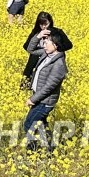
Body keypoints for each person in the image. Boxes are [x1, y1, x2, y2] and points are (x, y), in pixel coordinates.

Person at [23, 19, 71, 151]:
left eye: (47, 42)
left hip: (44, 101)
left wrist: (33, 99)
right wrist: (38, 36)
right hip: (39, 97)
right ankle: (50, 149)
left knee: (29, 124)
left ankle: (32, 151)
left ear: (56, 45)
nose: (44, 45)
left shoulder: (59, 65)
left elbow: (48, 87)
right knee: (42, 125)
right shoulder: (46, 54)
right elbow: (30, 49)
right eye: (43, 42)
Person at [20, 12, 73, 89]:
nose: (43, 26)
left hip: (52, 62)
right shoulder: (36, 32)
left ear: (50, 22)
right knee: (27, 86)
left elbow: (69, 45)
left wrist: (54, 49)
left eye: (46, 24)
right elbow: (26, 46)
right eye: (41, 24)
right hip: (34, 62)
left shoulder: (57, 32)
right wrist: (38, 37)